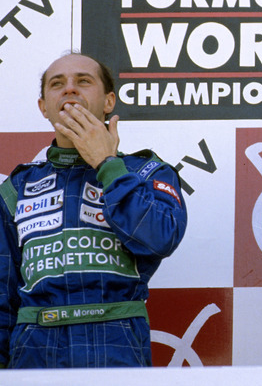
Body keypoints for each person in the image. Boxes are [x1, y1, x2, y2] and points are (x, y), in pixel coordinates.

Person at [0, 53, 188, 368]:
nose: (69, 89)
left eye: (83, 81)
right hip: (33, 352)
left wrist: (106, 163)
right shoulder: (17, 188)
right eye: (57, 84)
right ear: (44, 107)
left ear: (109, 101)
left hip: (116, 348)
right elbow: (2, 296)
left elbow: (161, 237)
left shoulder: (146, 172)